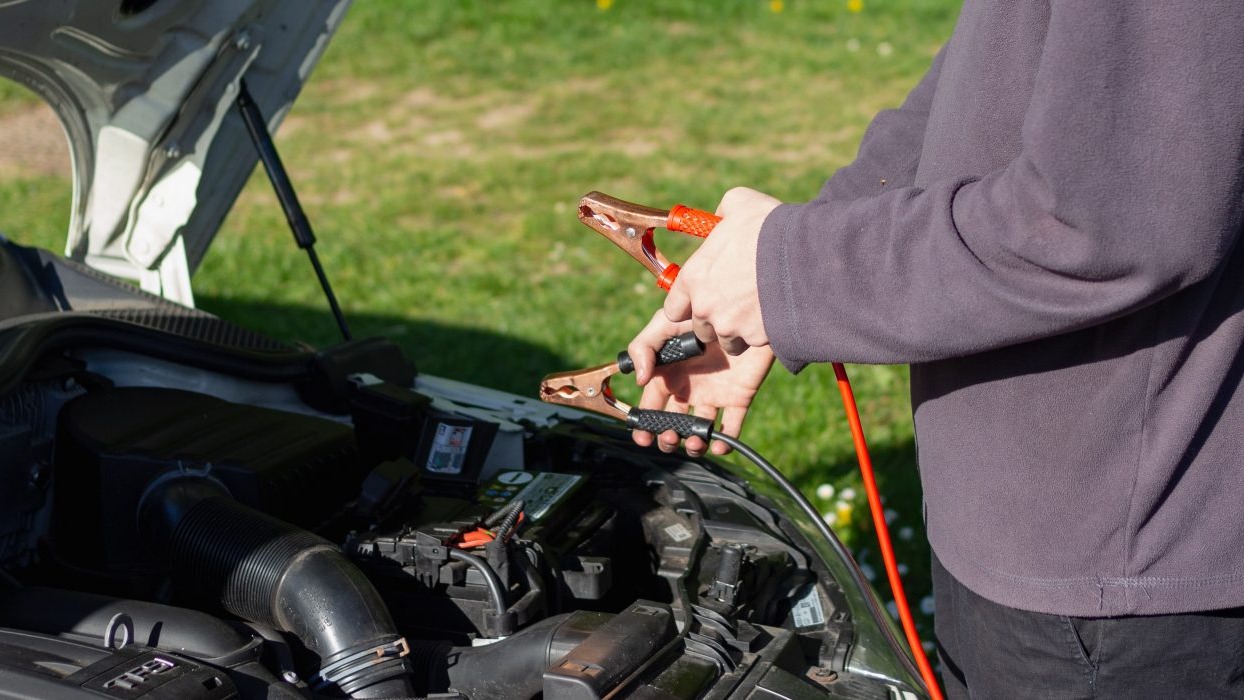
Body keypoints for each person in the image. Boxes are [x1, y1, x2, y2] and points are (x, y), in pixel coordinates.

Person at [625, 2, 1244, 697]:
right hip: (1019, 528)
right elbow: (990, 77)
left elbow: (1108, 223)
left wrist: (800, 271)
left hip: (1122, 581)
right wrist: (784, 285)